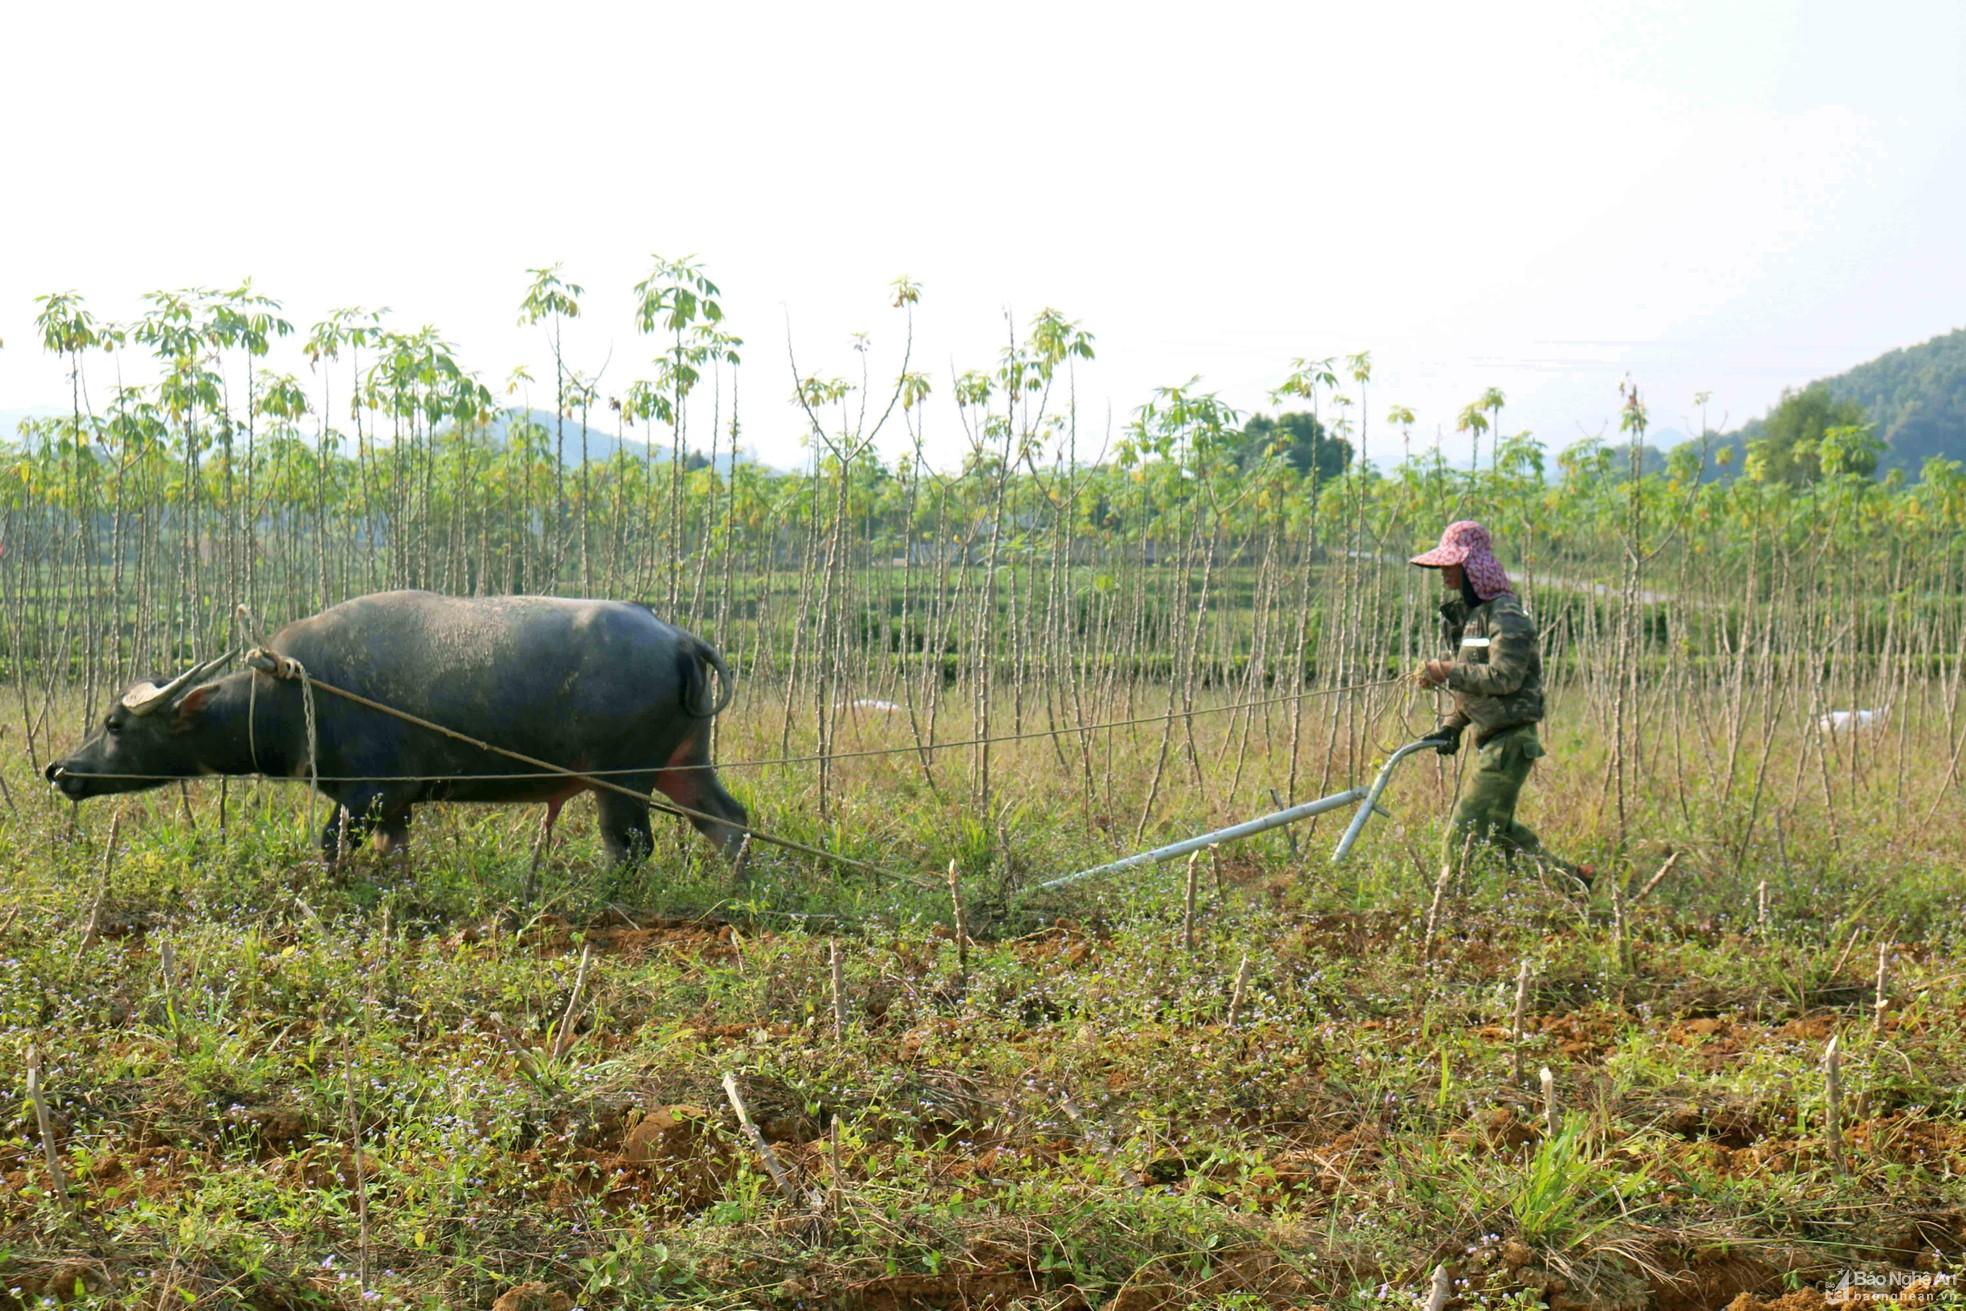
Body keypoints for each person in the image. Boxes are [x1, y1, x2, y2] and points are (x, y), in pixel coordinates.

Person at [1409, 520, 1589, 886]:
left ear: (1472, 568)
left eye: (1450, 565)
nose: (1444, 572)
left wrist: (1444, 670)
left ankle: (1453, 906)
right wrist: (1452, 726)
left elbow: (1504, 678)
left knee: (1466, 832)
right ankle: (1574, 884)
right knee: (1501, 832)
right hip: (1493, 740)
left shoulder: (1506, 615)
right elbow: (1474, 680)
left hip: (1510, 741)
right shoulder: (1474, 619)